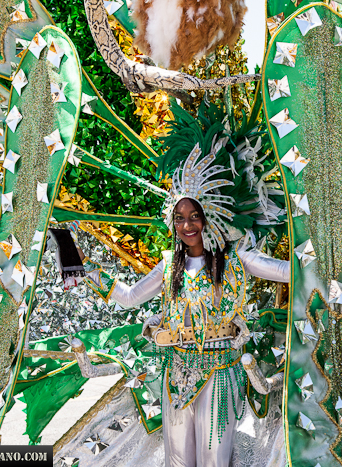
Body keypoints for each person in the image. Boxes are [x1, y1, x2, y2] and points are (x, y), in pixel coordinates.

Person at [63, 104, 290, 466]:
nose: (187, 225)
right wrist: (88, 271)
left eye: (194, 216)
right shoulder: (170, 265)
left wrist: (320, 252)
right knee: (179, 459)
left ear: (208, 216)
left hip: (221, 374)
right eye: (180, 218)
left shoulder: (237, 258)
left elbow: (289, 271)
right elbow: (129, 297)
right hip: (177, 373)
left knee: (214, 459)